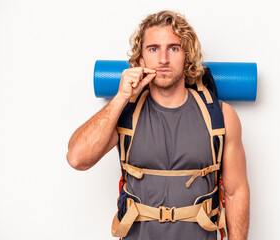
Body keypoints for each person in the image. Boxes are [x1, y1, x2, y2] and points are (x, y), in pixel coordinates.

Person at [67, 10, 250, 240]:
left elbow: (236, 193)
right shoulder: (125, 115)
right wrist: (121, 98)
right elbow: (77, 158)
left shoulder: (221, 116)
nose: (163, 59)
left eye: (173, 48)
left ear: (187, 56)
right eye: (153, 49)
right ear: (141, 60)